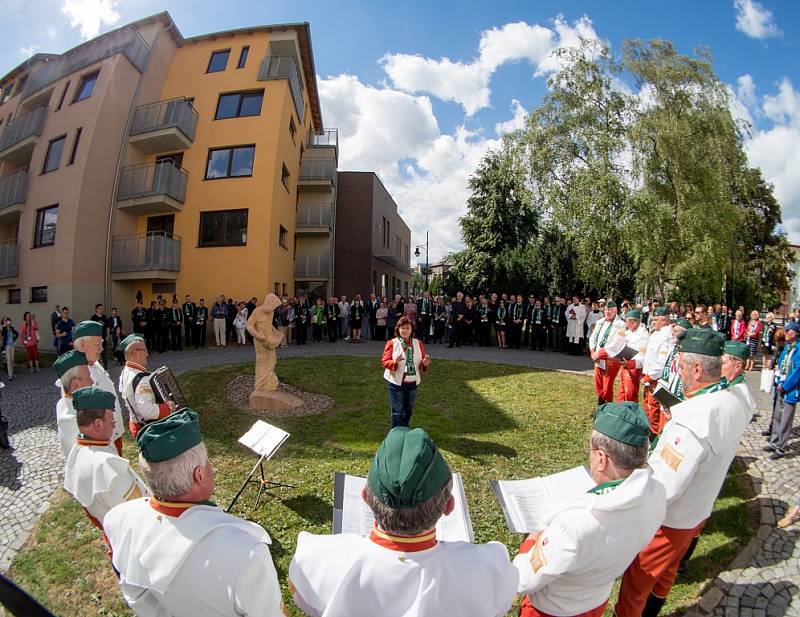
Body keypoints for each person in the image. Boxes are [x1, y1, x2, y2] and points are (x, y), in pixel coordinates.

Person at [289, 426, 518, 616]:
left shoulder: (313, 559)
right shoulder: (489, 568)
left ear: (365, 497)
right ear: (449, 506)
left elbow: (305, 600)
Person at [616, 329, 751, 617]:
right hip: (697, 511)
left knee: (635, 584)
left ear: (698, 368)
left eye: (682, 365)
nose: (679, 371)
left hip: (669, 519)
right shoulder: (733, 400)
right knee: (668, 572)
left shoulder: (691, 420)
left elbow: (664, 488)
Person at [104, 410, 285, 616]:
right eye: (207, 463)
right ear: (199, 475)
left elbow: (135, 594)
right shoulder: (247, 552)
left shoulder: (117, 519)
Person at [515, 402, 666, 617]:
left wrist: (532, 537)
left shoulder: (575, 523)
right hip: (596, 599)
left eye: (592, 452)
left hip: (552, 608)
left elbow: (524, 578)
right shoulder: (657, 493)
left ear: (602, 458)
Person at [64, 387, 148, 530]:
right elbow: (141, 514)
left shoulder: (77, 452)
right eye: (111, 420)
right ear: (98, 424)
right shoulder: (107, 467)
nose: (114, 424)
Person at [72, 321, 126, 456]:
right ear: (83, 345)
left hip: (113, 435)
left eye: (101, 343)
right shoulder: (78, 374)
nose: (101, 349)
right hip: (101, 443)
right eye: (97, 344)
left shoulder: (95, 364)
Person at [118, 334, 177, 438]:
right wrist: (168, 407)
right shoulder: (141, 379)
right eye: (144, 350)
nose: (147, 354)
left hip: (135, 423)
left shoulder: (125, 372)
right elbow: (147, 410)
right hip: (147, 429)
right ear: (135, 353)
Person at [381, 317, 431, 428]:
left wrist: (425, 363)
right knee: (397, 412)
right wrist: (395, 362)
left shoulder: (418, 343)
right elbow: (384, 361)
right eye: (402, 328)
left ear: (411, 330)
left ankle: (404, 431)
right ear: (398, 329)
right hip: (396, 383)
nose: (405, 330)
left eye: (407, 328)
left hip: (412, 383)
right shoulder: (392, 343)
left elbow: (422, 362)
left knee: (408, 410)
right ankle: (395, 436)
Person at [765, 321, 800, 460]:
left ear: (795, 333)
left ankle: (781, 447)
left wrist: (785, 386)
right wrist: (779, 381)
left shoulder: (798, 349)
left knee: (786, 419)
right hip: (781, 385)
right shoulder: (786, 347)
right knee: (777, 416)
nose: (785, 333)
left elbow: (797, 371)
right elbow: (781, 364)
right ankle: (774, 442)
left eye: (787, 331)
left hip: (790, 389)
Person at [641, 307, 674, 436]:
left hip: (656, 378)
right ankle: (648, 430)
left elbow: (663, 361)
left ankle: (653, 435)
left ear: (664, 320)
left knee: (654, 408)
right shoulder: (655, 333)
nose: (653, 322)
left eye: (656, 320)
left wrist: (651, 376)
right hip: (648, 376)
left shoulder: (668, 335)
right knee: (648, 406)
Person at [54, 350, 93, 457]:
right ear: (75, 384)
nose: (92, 382)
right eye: (88, 378)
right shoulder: (79, 421)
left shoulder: (62, 403)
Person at [588, 301, 626, 406]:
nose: (607, 312)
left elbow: (617, 343)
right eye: (606, 309)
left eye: (610, 310)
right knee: (598, 381)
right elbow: (593, 337)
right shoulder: (600, 322)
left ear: (615, 311)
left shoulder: (621, 324)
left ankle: (607, 405)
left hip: (610, 358)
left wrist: (600, 353)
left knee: (607, 383)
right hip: (598, 356)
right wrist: (592, 351)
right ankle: (600, 404)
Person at [617, 310, 650, 403]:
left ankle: (629, 411)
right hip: (624, 364)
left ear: (633, 322)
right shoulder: (628, 332)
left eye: (626, 322)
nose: (625, 324)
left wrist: (630, 363)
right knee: (622, 391)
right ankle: (621, 410)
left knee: (630, 393)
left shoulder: (643, 335)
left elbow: (643, 355)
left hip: (633, 367)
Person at [0, 317, 18, 381]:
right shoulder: (4, 329)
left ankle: (12, 373)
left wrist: (14, 339)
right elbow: (2, 336)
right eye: (6, 321)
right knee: (9, 360)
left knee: (12, 360)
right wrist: (2, 345)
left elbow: (17, 334)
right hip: (7, 346)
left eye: (8, 321)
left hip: (12, 345)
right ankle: (10, 376)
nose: (8, 322)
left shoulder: (12, 328)